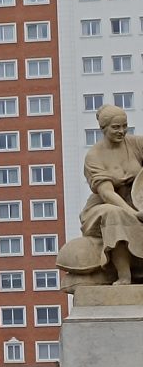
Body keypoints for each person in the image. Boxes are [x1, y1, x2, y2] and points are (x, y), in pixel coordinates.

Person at [58, 105, 143, 286]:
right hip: (101, 208)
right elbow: (106, 193)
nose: (122, 131)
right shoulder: (94, 156)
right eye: (116, 127)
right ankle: (124, 275)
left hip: (137, 202)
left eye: (124, 126)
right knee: (115, 214)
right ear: (103, 128)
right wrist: (133, 213)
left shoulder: (136, 144)